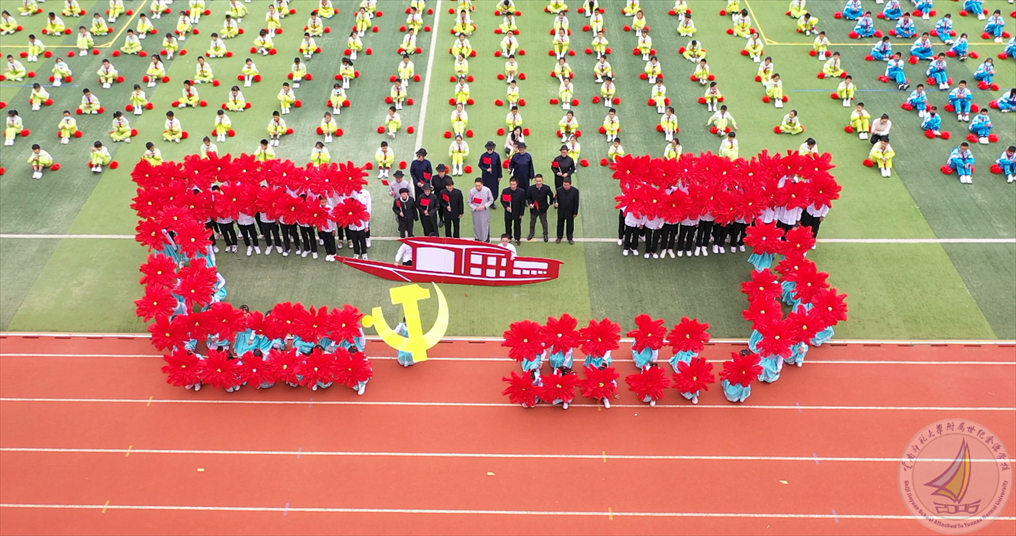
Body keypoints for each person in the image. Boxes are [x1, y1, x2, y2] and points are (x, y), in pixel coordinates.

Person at [527, 174, 553, 242]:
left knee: (544, 223)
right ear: (535, 180)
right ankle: (531, 233)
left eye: (540, 181)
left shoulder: (546, 188)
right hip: (534, 209)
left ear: (542, 180)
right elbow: (528, 197)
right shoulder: (531, 188)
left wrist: (549, 203)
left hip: (543, 209)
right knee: (532, 222)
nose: (538, 183)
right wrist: (530, 204)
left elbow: (551, 195)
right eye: (537, 181)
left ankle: (545, 234)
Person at [555, 178, 579, 244]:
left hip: (570, 212)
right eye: (564, 185)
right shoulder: (559, 190)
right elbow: (556, 199)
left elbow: (576, 202)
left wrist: (575, 212)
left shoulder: (575, 191)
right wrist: (556, 204)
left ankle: (570, 238)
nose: (565, 186)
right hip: (561, 211)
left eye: (566, 185)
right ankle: (559, 237)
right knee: (560, 225)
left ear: (570, 184)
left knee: (570, 225)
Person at [501, 178, 525, 244]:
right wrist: (506, 207)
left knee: (517, 226)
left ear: (517, 184)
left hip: (517, 212)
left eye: (514, 184)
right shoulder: (505, 191)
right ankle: (509, 238)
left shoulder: (521, 192)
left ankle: (517, 238)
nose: (513, 186)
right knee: (508, 226)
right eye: (511, 184)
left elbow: (522, 203)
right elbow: (502, 200)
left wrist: (521, 213)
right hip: (508, 212)